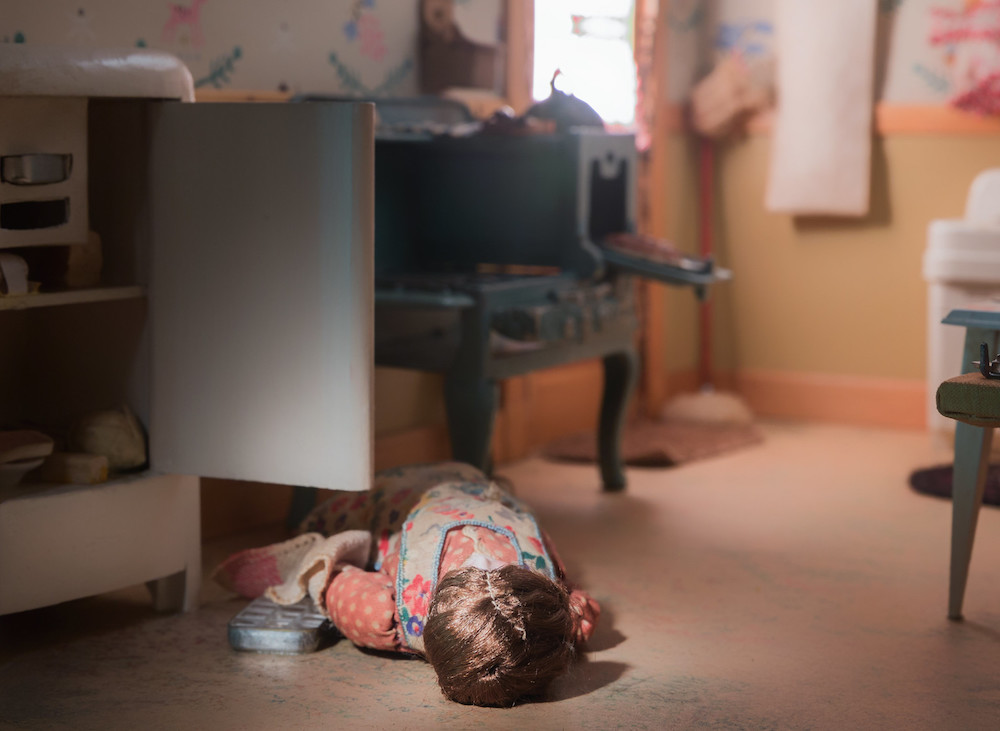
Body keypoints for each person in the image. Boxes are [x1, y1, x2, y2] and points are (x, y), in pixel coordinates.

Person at [214, 462, 600, 707]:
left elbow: (337, 583)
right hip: (467, 480)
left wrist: (325, 569)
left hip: (400, 495)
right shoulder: (552, 601)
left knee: (326, 527)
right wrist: (571, 617)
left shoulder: (389, 616)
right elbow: (575, 607)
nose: (481, 558)